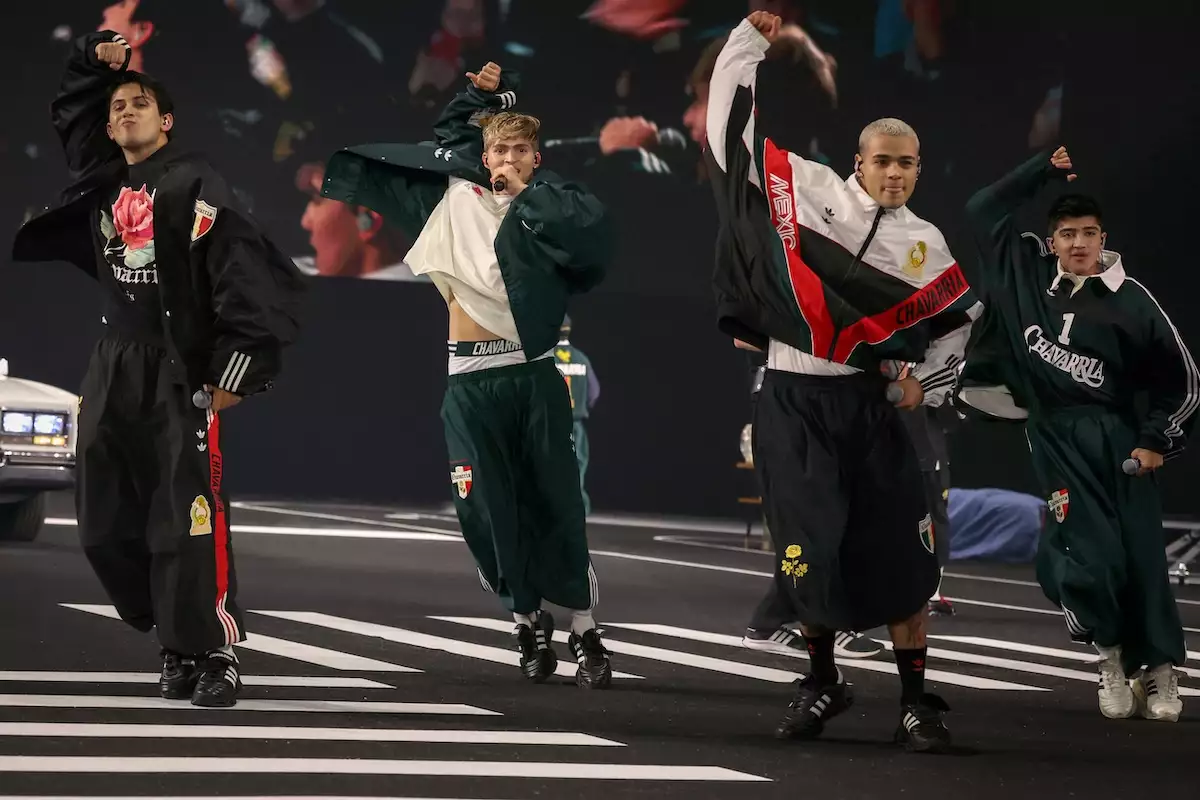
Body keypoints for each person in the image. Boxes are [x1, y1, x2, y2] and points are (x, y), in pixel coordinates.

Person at [706, 11, 982, 752]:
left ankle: (915, 702)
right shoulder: (808, 188)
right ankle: (822, 680)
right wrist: (748, 42)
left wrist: (929, 382)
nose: (894, 173)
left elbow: (959, 326)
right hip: (793, 400)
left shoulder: (925, 246)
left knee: (901, 552)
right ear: (859, 162)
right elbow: (726, 135)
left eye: (907, 163)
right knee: (809, 551)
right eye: (882, 160)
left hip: (872, 410)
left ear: (919, 168)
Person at [10, 30, 306, 707]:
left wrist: (235, 368)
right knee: (102, 522)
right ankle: (174, 631)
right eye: (116, 108)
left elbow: (237, 268)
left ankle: (210, 652)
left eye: (138, 104)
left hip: (180, 368)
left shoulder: (194, 179)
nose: (123, 114)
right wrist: (93, 64)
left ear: (165, 120)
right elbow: (71, 113)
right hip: (114, 362)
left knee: (188, 516)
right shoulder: (103, 173)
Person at [318, 61, 616, 688]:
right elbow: (446, 137)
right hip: (469, 383)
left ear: (536, 157)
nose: (504, 157)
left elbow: (593, 241)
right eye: (496, 148)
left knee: (556, 503)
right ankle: (527, 619)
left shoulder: (553, 206)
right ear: (483, 154)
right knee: (484, 505)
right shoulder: (449, 199)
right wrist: (477, 96)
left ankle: (584, 628)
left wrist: (522, 196)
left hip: (532, 378)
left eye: (518, 149)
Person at [956, 146, 1194, 723]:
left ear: (1103, 237)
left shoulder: (1131, 299)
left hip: (1121, 440)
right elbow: (983, 208)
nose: (1078, 243)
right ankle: (1110, 659)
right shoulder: (1025, 271)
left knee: (1142, 559)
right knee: (1093, 558)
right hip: (1056, 436)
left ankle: (1160, 674)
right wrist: (1040, 169)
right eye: (1067, 233)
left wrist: (1155, 438)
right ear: (1053, 239)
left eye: (1088, 233)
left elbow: (1180, 380)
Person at [553, 315, 599, 516]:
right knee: (577, 464)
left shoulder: (546, 357)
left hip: (552, 422)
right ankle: (577, 507)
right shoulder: (581, 359)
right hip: (575, 422)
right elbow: (594, 392)